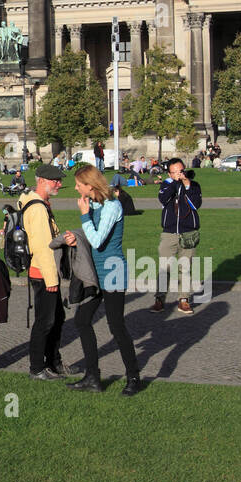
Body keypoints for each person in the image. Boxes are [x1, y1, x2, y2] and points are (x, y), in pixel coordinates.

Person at [62, 165, 141, 395]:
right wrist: (76, 238)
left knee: (116, 326)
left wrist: (85, 215)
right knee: (82, 320)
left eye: (78, 184)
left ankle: (134, 377)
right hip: (95, 272)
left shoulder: (112, 206)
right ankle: (93, 377)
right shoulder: (96, 204)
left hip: (113, 271)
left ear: (90, 185)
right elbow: (90, 236)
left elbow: (98, 240)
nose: (76, 188)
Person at [20, 164, 71, 380]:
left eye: (59, 180)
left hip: (44, 271)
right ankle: (37, 368)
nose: (59, 184)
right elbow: (42, 247)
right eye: (55, 181)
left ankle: (53, 362)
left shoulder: (39, 204)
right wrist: (52, 278)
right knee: (45, 321)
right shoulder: (38, 208)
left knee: (57, 317)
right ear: (41, 180)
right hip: (43, 272)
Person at [153, 158, 203, 314]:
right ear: (169, 173)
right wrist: (175, 183)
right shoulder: (166, 185)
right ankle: (160, 299)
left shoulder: (193, 185)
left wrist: (186, 185)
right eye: (174, 172)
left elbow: (196, 204)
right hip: (169, 232)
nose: (178, 174)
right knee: (164, 267)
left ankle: (184, 300)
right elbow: (163, 198)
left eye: (181, 171)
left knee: (185, 267)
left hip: (188, 231)